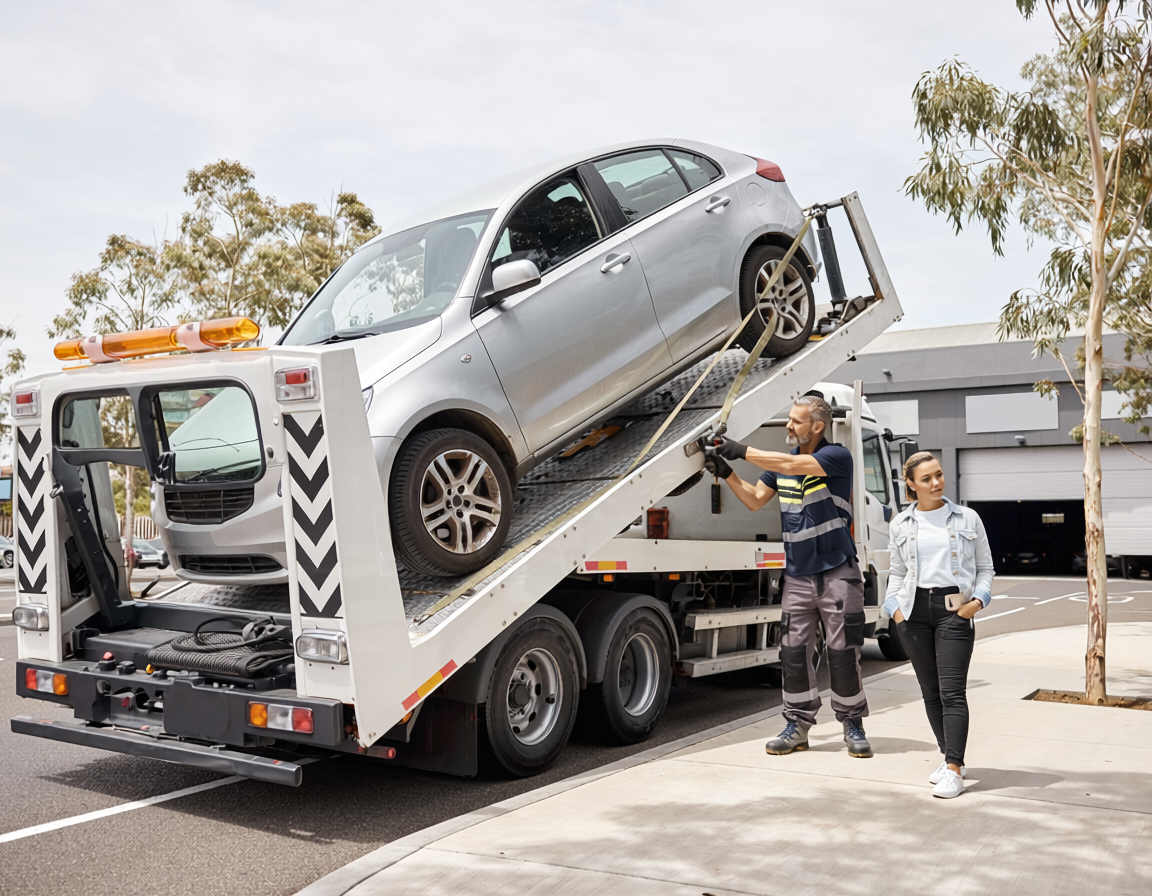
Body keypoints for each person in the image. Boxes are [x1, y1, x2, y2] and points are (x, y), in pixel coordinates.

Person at [705, 394, 872, 759]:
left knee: (844, 652)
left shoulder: (835, 458)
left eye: (796, 421)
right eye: (789, 420)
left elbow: (794, 466)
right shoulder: (783, 465)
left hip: (837, 573)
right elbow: (753, 499)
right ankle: (797, 725)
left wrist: (740, 450)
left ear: (817, 426)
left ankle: (853, 724)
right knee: (794, 653)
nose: (788, 426)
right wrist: (727, 472)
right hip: (797, 576)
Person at [883, 451, 994, 799]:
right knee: (930, 692)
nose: (936, 483)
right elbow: (897, 573)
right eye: (927, 478)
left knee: (952, 692)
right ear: (911, 486)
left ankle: (955, 769)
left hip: (953, 610)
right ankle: (948, 758)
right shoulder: (901, 523)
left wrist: (976, 603)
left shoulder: (967, 518)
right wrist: (894, 610)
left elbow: (986, 568)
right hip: (912, 612)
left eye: (939, 475)